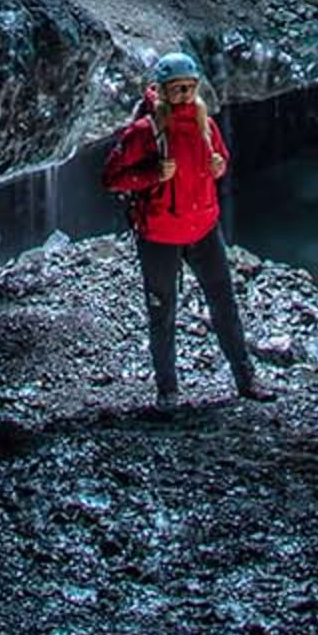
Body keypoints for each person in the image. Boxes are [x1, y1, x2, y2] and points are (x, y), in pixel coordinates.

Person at [101, 49, 274, 409]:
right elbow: (111, 178)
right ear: (162, 90)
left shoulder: (204, 123)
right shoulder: (144, 132)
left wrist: (218, 165)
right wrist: (150, 175)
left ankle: (245, 378)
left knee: (224, 305)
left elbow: (221, 159)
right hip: (160, 234)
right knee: (162, 314)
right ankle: (168, 391)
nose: (185, 95)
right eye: (177, 89)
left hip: (203, 229)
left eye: (190, 88)